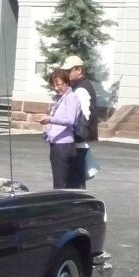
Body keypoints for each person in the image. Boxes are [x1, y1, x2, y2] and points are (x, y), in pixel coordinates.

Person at [37, 68, 80, 189]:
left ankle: (61, 201)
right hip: (58, 144)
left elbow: (70, 120)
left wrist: (50, 119)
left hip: (63, 145)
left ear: (66, 82)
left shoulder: (70, 97)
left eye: (58, 84)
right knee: (60, 181)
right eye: (54, 85)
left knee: (60, 183)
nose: (56, 88)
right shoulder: (62, 98)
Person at [61, 54, 99, 188]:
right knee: (76, 179)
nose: (66, 74)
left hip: (77, 141)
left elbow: (84, 116)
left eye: (68, 70)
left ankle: (77, 200)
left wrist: (75, 136)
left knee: (75, 180)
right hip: (78, 140)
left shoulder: (81, 89)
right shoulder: (78, 87)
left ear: (79, 70)